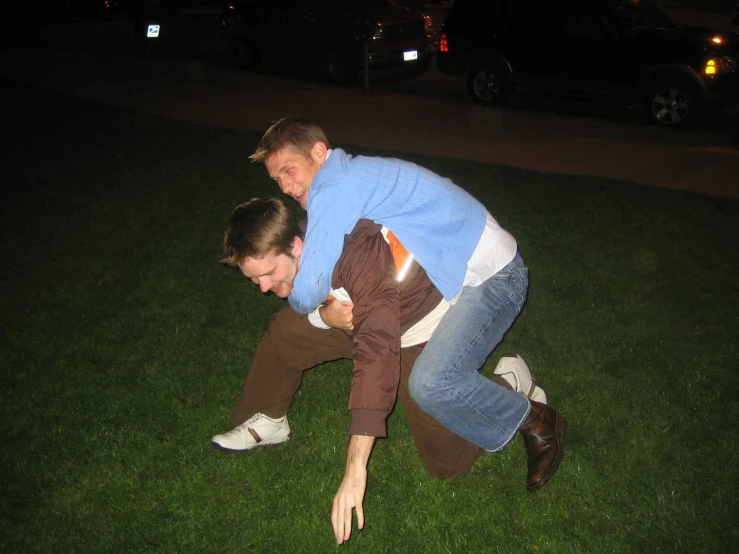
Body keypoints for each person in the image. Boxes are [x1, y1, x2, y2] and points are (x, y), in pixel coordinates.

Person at [212, 198, 566, 544]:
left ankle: (509, 383)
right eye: (254, 278)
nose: (262, 287)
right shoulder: (297, 244)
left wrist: (355, 467)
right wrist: (325, 316)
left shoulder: (351, 253)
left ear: (297, 244)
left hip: (416, 327)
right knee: (284, 331)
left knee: (447, 462)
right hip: (358, 320)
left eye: (269, 273)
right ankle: (269, 418)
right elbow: (330, 309)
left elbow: (375, 357)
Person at [249, 116, 566, 482]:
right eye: (277, 180)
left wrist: (303, 302)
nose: (287, 186)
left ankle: (534, 419)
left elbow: (309, 286)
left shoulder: (334, 186)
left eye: (290, 170)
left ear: (319, 153)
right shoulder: (352, 177)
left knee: (432, 383)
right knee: (432, 386)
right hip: (460, 275)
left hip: (495, 278)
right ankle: (511, 384)